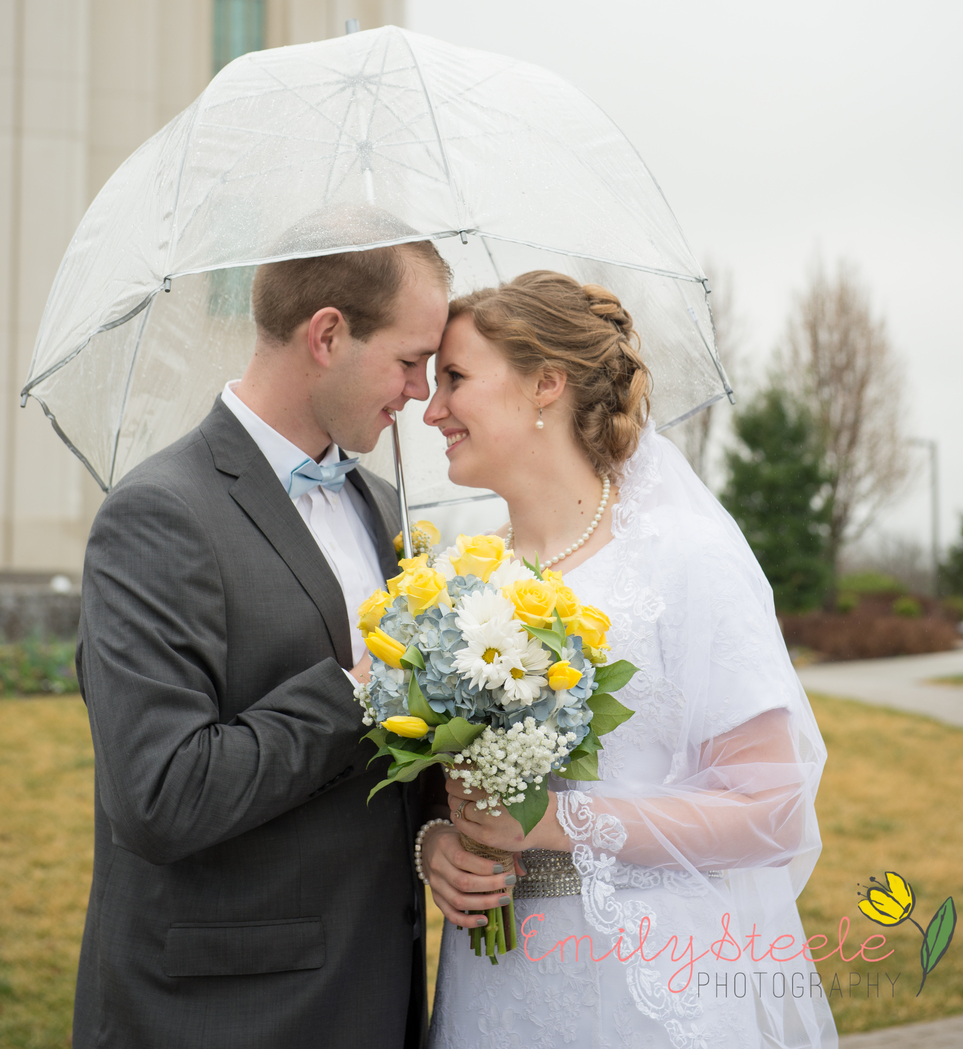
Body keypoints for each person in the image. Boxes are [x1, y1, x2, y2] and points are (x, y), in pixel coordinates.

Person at [418, 271, 837, 1049]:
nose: (430, 408)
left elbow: (773, 809)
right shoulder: (454, 584)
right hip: (494, 989)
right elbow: (452, 788)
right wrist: (440, 845)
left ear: (546, 383)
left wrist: (553, 822)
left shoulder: (683, 560)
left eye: (455, 379)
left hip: (646, 981)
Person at [73, 235, 450, 1049]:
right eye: (410, 361)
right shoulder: (159, 517)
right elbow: (163, 794)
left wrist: (449, 814)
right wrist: (362, 690)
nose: (421, 393)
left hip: (378, 990)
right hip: (227, 1013)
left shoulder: (385, 507)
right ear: (326, 336)